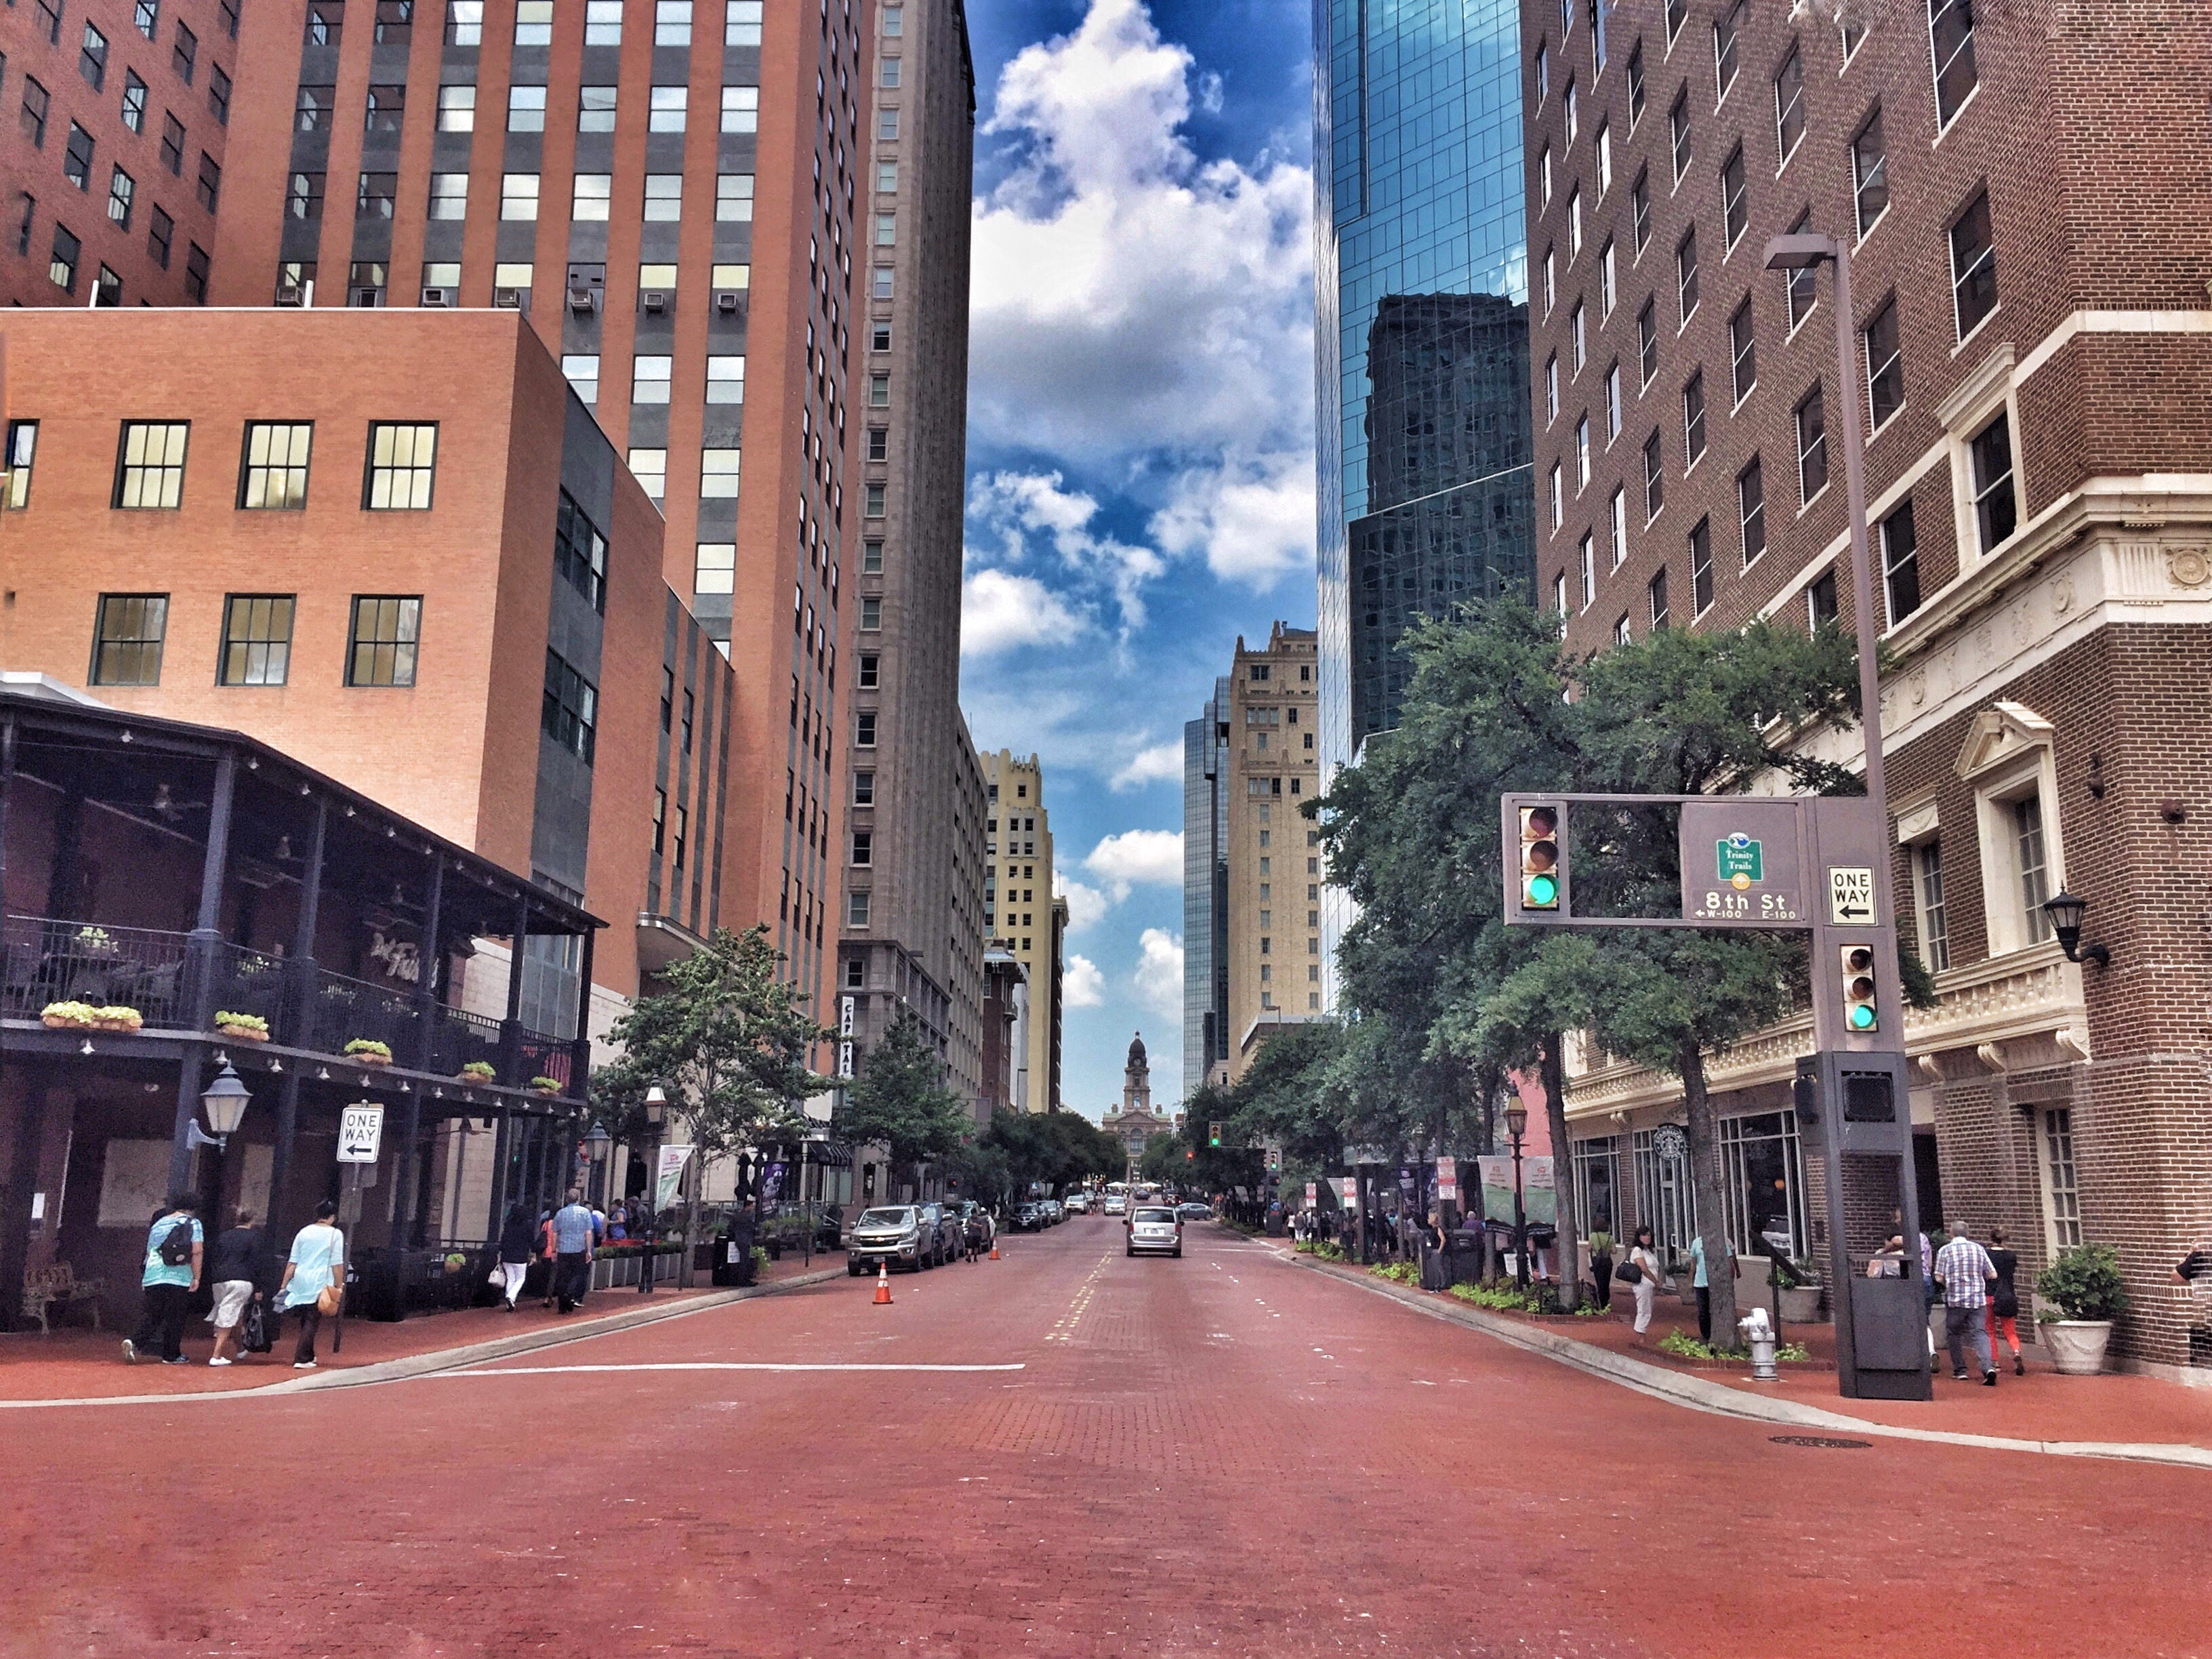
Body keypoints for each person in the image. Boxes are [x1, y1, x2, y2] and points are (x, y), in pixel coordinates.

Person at [123, 1191, 203, 1365]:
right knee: (176, 1316)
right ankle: (171, 1354)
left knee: (154, 1314)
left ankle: (134, 1341)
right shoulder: (193, 1223)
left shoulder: (159, 1223)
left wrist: (146, 1275)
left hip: (154, 1274)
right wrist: (196, 1276)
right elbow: (196, 1250)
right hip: (178, 1276)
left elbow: (149, 1251)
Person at [277, 1200, 346, 1370]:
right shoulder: (335, 1234)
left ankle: (308, 1353)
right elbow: (337, 1263)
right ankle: (301, 1357)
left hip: (301, 1278)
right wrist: (339, 1285)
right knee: (312, 1318)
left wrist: (284, 1285)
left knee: (307, 1316)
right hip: (320, 1279)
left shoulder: (303, 1232)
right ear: (332, 1217)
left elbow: (292, 1261)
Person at [1934, 1221, 1999, 1385]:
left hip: (1955, 1299)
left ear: (1952, 1233)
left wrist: (1949, 1283)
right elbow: (1992, 1274)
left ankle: (1960, 1370)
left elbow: (1939, 1277)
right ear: (1967, 1233)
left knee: (1954, 1334)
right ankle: (1987, 1367)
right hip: (1977, 1299)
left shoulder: (1945, 1250)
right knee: (1980, 1333)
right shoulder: (1979, 1249)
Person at [205, 1206, 264, 1366]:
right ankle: (216, 1356)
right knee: (229, 1314)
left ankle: (240, 1349)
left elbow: (214, 1257)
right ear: (252, 1220)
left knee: (232, 1313)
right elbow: (256, 1263)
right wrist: (258, 1288)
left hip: (219, 1279)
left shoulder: (224, 1236)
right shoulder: (255, 1237)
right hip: (241, 1279)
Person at [550, 1187, 596, 1314]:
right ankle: (570, 1293)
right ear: (579, 1198)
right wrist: (589, 1250)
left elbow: (555, 1233)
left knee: (562, 1276)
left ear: (566, 1199)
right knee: (579, 1273)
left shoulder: (560, 1213)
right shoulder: (585, 1212)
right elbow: (588, 1232)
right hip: (579, 1248)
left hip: (564, 1249)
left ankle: (562, 1305)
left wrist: (554, 1251)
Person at [1986, 1227, 2024, 1376]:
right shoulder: (2011, 1256)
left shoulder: (1987, 1254)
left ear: (1991, 1238)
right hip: (2008, 1295)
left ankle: (1995, 1362)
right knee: (2010, 1330)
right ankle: (2016, 1351)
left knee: (1990, 1331)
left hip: (1989, 1294)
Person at [1626, 1225, 1664, 1343]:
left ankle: (1642, 1331)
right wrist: (1656, 1281)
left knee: (1648, 1308)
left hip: (1650, 1285)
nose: (1647, 1238)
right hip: (1643, 1284)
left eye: (1649, 1235)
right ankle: (1640, 1333)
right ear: (1639, 1237)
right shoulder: (1637, 1251)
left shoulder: (1648, 1252)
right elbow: (1644, 1269)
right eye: (1644, 1235)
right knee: (1644, 1308)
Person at [497, 1200, 537, 1312]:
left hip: (507, 1256)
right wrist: (533, 1253)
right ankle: (511, 1297)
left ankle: (509, 1302)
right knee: (520, 1279)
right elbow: (531, 1241)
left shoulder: (508, 1225)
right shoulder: (527, 1226)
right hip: (520, 1256)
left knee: (511, 1278)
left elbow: (503, 1240)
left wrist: (500, 1253)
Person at [1689, 1231, 1713, 1345]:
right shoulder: (1696, 1242)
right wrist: (1691, 1281)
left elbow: (1729, 1260)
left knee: (1713, 1310)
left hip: (1714, 1284)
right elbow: (1693, 1264)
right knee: (1703, 1312)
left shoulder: (1719, 1241)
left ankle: (1715, 1334)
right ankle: (1705, 1335)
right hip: (1700, 1282)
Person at [1589, 1217, 1616, 1313]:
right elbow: (1614, 1251)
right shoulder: (1610, 1237)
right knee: (1606, 1282)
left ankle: (1601, 1302)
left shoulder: (1593, 1236)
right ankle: (1606, 1301)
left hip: (1597, 1262)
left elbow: (1589, 1248)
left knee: (1599, 1282)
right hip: (1607, 1262)